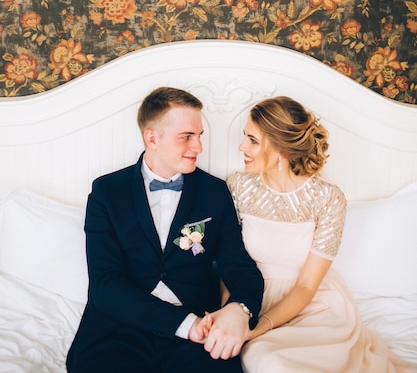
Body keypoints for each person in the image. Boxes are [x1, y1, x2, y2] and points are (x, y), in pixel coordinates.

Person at [66, 86, 263, 373]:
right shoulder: (107, 192)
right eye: (186, 137)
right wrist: (186, 325)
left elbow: (239, 267)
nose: (198, 147)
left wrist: (239, 309)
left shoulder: (215, 192)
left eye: (199, 136)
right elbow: (105, 284)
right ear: (152, 138)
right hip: (118, 330)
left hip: (200, 334)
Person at [227, 95, 414, 373]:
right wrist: (237, 314)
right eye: (245, 137)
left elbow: (306, 286)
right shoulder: (238, 186)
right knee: (262, 360)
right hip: (252, 298)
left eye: (253, 140)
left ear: (281, 148)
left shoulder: (327, 199)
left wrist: (260, 327)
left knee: (274, 363)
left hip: (313, 307)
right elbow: (228, 262)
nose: (242, 146)